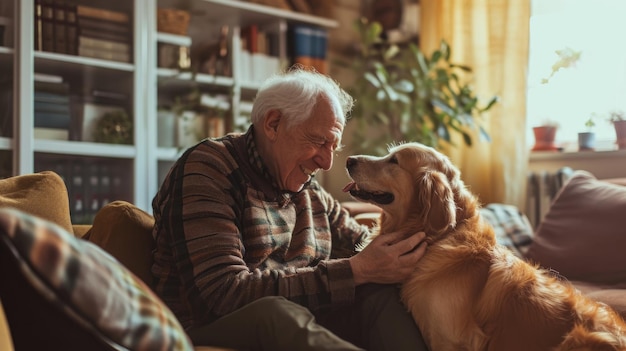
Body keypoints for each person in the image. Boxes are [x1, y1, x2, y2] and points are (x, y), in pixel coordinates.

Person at [151, 66, 429, 351]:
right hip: (209, 325)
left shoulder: (305, 186)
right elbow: (221, 293)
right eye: (320, 141)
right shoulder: (208, 168)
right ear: (273, 124)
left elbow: (362, 243)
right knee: (277, 313)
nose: (327, 163)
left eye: (333, 147)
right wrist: (355, 271)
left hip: (301, 319)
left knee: (378, 295)